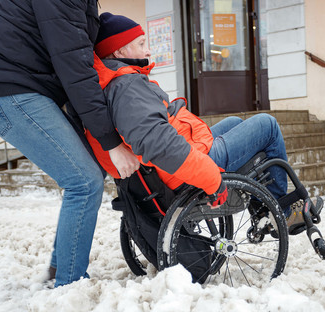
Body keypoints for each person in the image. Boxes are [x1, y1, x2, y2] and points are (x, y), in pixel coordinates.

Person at [0, 1, 140, 287]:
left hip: (24, 85)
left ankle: (61, 270)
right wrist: (111, 142)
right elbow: (74, 68)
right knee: (83, 181)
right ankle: (69, 286)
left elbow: (77, 55)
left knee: (89, 170)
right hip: (5, 88)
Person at [85, 13, 313, 229]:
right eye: (142, 43)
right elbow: (159, 145)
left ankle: (262, 206)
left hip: (180, 155)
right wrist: (210, 177)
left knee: (234, 121)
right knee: (267, 125)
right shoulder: (127, 88)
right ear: (118, 51)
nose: (149, 50)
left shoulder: (118, 82)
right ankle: (281, 214)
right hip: (182, 168)